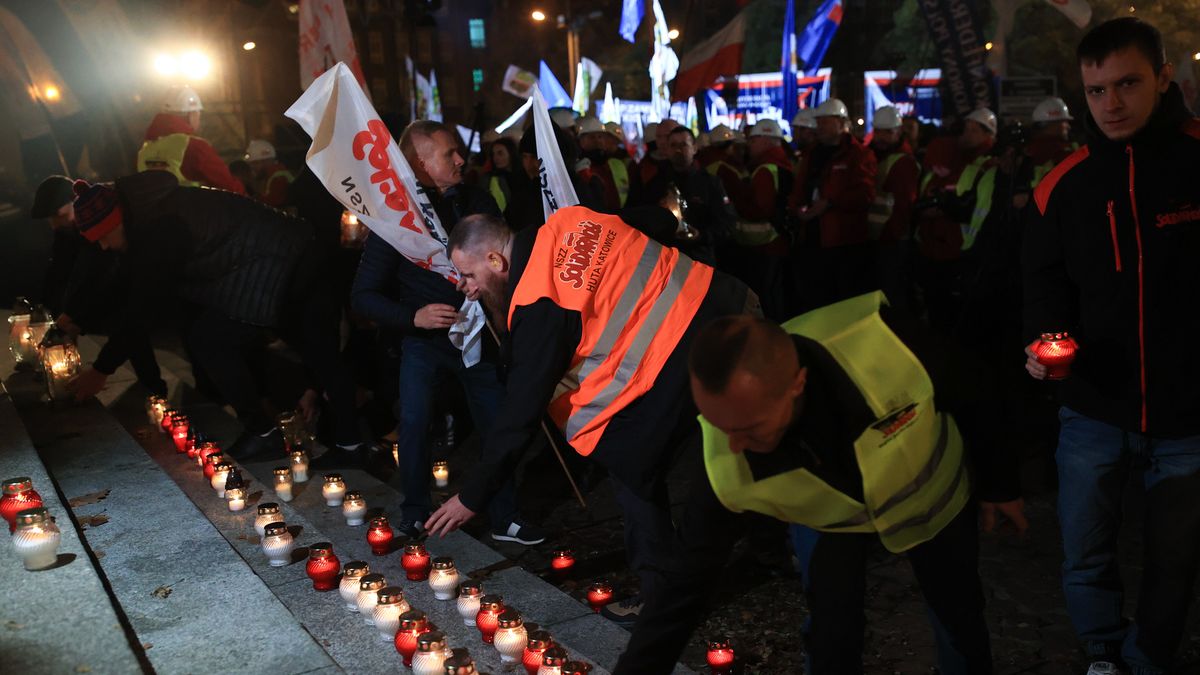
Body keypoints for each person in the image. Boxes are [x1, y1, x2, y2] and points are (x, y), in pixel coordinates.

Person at [615, 300, 1025, 674]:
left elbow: (976, 389)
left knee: (959, 616)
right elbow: (682, 588)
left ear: (797, 384)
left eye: (749, 429)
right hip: (831, 521)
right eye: (721, 427)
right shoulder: (727, 454)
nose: (733, 446)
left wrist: (1001, 486)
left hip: (934, 500)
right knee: (832, 630)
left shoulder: (887, 344)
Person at [423, 206, 756, 626]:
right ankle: (785, 540)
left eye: (469, 276)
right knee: (764, 440)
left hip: (683, 351)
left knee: (631, 464)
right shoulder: (570, 220)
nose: (466, 289)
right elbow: (656, 222)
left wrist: (472, 496)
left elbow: (520, 413)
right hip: (732, 305)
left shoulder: (537, 300)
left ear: (496, 260)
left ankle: (663, 601)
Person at [1023, 17, 1200, 675]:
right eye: (1097, 90)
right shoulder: (1062, 184)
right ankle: (1102, 652)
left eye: (1127, 84)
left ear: (1162, 77)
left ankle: (1148, 656)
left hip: (1187, 413)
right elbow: (1040, 289)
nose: (1112, 104)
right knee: (1085, 548)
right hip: (1094, 406)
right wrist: (1039, 348)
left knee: (1174, 556)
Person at [350, 120, 542, 544]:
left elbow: (504, 259)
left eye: (458, 152)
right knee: (416, 421)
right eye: (448, 154)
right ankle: (415, 510)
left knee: (497, 422)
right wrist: (412, 317)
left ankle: (504, 514)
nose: (461, 159)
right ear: (420, 163)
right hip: (425, 343)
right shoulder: (396, 220)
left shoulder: (476, 198)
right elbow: (362, 297)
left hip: (482, 336)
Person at [65, 171, 309, 458]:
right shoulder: (141, 220)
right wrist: (77, 317)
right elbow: (125, 284)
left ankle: (266, 431)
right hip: (257, 260)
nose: (104, 246)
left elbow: (143, 306)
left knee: (211, 339)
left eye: (104, 237)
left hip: (271, 259)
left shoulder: (160, 228)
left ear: (116, 221)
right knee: (209, 336)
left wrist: (101, 370)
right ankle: (263, 422)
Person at [30, 175, 166, 396]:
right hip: (108, 288)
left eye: (58, 215)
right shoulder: (67, 231)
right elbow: (60, 272)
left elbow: (100, 275)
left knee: (129, 325)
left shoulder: (99, 221)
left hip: (121, 286)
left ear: (74, 202)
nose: (55, 224)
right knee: (123, 326)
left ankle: (154, 387)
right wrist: (52, 310)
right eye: (50, 219)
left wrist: (76, 315)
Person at [914, 108, 998, 334]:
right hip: (934, 245)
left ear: (988, 135)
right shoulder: (950, 157)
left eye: (974, 130)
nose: (967, 135)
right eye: (966, 129)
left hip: (960, 249)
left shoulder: (988, 164)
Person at [791, 98, 878, 310]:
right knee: (816, 297)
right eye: (818, 122)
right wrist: (797, 209)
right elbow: (800, 188)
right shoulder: (812, 154)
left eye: (824, 122)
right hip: (814, 238)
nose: (819, 127)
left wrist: (829, 203)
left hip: (843, 242)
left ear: (841, 123)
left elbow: (865, 194)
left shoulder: (858, 154)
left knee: (843, 300)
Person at [630, 126, 736, 265]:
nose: (678, 149)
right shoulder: (656, 184)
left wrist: (701, 236)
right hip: (666, 261)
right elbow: (641, 219)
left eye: (684, 144)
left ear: (694, 148)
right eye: (673, 145)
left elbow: (726, 224)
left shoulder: (711, 183)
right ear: (666, 150)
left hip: (700, 261)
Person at [136, 85, 245, 194]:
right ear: (190, 114)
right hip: (188, 209)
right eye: (198, 113)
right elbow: (229, 186)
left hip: (151, 211)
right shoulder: (193, 146)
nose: (199, 118)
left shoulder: (146, 149)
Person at [868, 105, 920, 313]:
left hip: (892, 240)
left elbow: (903, 206)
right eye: (878, 131)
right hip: (874, 238)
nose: (881, 137)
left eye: (887, 132)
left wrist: (892, 235)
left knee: (892, 294)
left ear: (898, 132)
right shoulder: (874, 157)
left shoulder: (903, 162)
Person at [577, 116, 630, 211]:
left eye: (600, 136)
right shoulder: (579, 168)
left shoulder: (615, 164)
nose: (597, 140)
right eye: (592, 137)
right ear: (582, 141)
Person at [1026, 97, 1078, 188]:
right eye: (1064, 122)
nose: (1068, 127)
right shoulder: (1064, 152)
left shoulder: (1027, 149)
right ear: (1053, 124)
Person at [244, 139, 294, 208]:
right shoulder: (273, 175)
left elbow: (273, 203)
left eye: (255, 163)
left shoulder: (279, 177)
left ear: (265, 161)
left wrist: (253, 198)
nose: (253, 168)